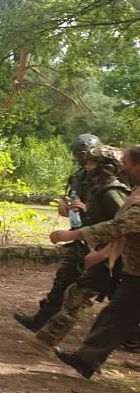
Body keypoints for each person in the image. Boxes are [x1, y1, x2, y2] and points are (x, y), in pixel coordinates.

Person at [49, 144, 140, 378]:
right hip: (135, 271)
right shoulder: (134, 191)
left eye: (126, 164)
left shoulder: (121, 194)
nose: (121, 168)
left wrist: (73, 235)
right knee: (115, 314)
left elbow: (117, 226)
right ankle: (86, 361)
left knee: (117, 313)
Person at [29, 146, 129, 349]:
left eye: (92, 163)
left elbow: (123, 230)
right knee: (81, 293)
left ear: (106, 167)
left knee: (115, 302)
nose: (87, 166)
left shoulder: (112, 193)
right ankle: (47, 339)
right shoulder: (98, 188)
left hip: (116, 257)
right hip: (103, 254)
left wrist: (101, 255)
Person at [14, 133, 100, 331]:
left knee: (112, 289)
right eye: (77, 153)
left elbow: (117, 215)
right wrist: (66, 206)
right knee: (63, 280)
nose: (80, 157)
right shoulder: (78, 177)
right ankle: (41, 321)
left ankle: (131, 335)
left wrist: (87, 208)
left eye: (83, 153)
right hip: (78, 237)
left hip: (100, 240)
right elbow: (69, 204)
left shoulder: (108, 180)